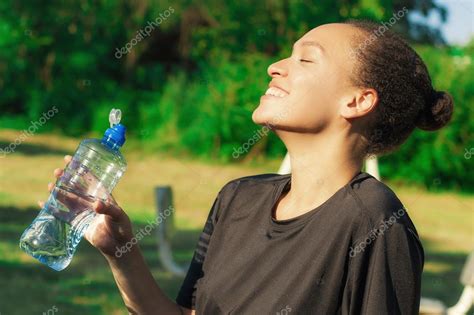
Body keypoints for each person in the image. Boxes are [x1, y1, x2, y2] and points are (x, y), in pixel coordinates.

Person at [43, 20, 454, 314]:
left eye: (306, 60)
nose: (275, 66)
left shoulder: (375, 221)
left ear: (358, 101)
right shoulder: (237, 198)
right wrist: (121, 253)